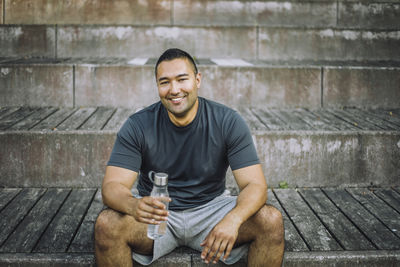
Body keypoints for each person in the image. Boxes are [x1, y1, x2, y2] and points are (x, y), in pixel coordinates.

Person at [94, 48, 284, 266]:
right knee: (106, 224)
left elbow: (255, 184)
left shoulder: (228, 121)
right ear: (157, 86)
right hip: (157, 215)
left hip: (211, 209)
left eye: (182, 79)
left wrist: (234, 219)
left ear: (197, 80)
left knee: (270, 221)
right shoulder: (138, 125)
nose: (174, 90)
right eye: (164, 82)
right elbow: (112, 185)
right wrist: (132, 206)